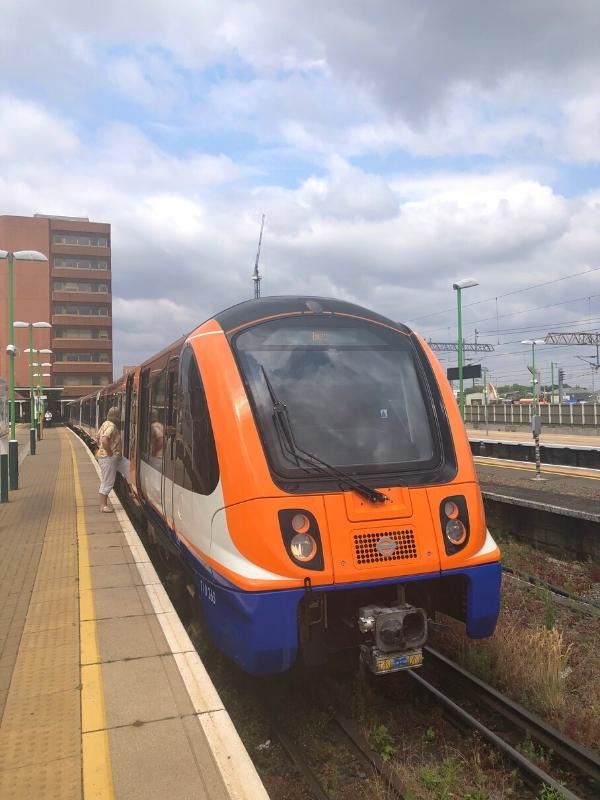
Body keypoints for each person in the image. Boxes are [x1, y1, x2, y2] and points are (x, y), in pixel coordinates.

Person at [96, 406, 121, 513]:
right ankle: (103, 506)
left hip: (104, 456)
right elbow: (104, 440)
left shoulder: (105, 423)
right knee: (108, 481)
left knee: (127, 465)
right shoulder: (112, 426)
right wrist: (110, 453)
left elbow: (97, 437)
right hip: (108, 457)